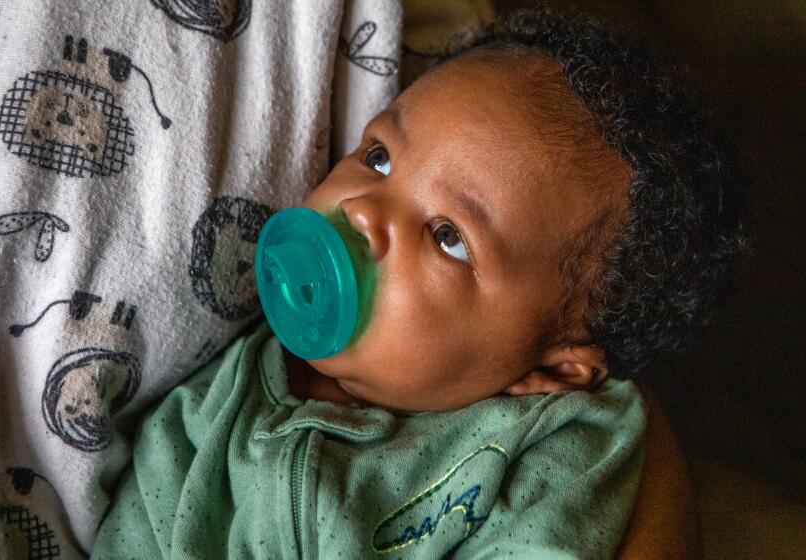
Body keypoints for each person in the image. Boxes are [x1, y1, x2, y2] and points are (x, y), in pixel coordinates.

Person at [91, 9, 743, 559]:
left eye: (447, 236)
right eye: (379, 157)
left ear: (555, 369)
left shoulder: (554, 454)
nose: (364, 209)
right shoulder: (207, 414)